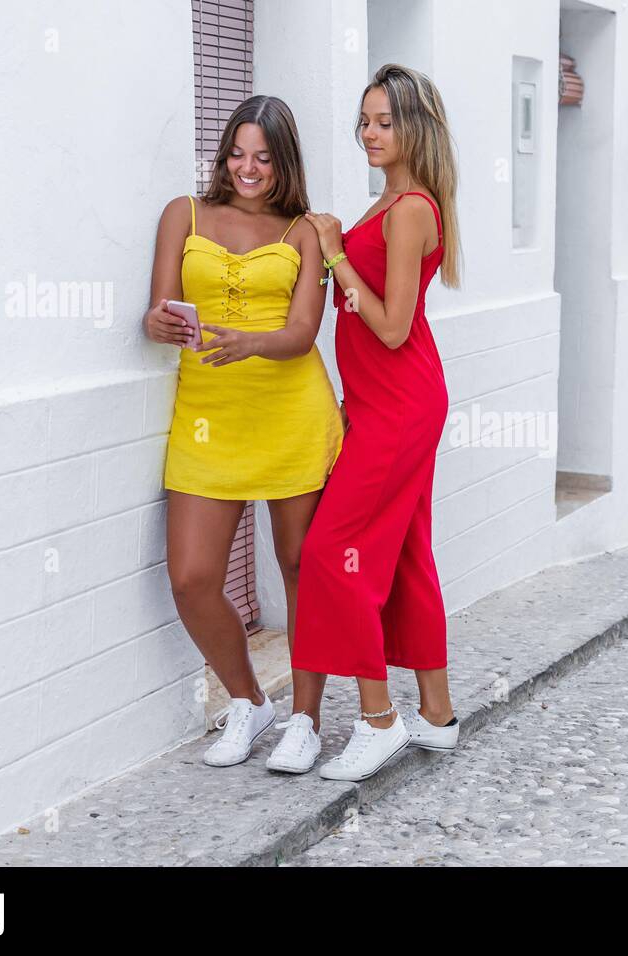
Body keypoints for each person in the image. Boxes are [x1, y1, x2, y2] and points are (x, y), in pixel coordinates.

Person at [269, 64, 462, 781]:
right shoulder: (390, 203)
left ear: (414, 126)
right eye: (365, 121)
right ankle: (436, 714)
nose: (370, 133)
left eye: (384, 121)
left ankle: (379, 720)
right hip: (382, 404)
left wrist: (340, 252)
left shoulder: (412, 207)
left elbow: (389, 326)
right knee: (407, 554)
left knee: (331, 554)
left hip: (401, 404)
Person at [142, 95, 344, 768]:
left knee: (300, 569)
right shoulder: (186, 214)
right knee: (193, 577)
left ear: (283, 162)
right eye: (237, 153)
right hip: (208, 418)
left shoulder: (304, 232)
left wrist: (248, 341)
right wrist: (159, 325)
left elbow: (301, 333)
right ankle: (249, 701)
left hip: (290, 412)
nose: (248, 168)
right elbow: (157, 310)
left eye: (262, 156)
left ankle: (306, 720)